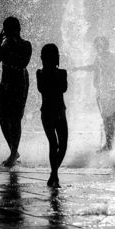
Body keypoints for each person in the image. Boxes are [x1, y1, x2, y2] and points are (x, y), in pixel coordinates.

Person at [0, 17, 32, 167]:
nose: (6, 32)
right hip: (6, 84)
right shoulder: (4, 44)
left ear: (16, 29)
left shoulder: (25, 44)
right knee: (2, 118)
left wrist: (8, 47)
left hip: (20, 83)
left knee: (15, 119)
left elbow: (23, 62)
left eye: (8, 29)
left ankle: (13, 153)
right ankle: (13, 151)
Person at [73, 36, 115, 151]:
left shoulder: (112, 56)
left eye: (101, 44)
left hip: (110, 91)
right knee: (106, 118)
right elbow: (93, 67)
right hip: (101, 91)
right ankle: (109, 143)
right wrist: (79, 68)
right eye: (97, 45)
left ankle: (109, 144)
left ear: (106, 45)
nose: (99, 47)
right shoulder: (99, 57)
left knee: (108, 117)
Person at [37, 44, 68, 188]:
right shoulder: (42, 73)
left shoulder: (60, 72)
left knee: (58, 145)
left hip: (52, 112)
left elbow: (62, 88)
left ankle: (53, 174)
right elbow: (60, 88)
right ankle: (54, 175)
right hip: (55, 113)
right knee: (58, 145)